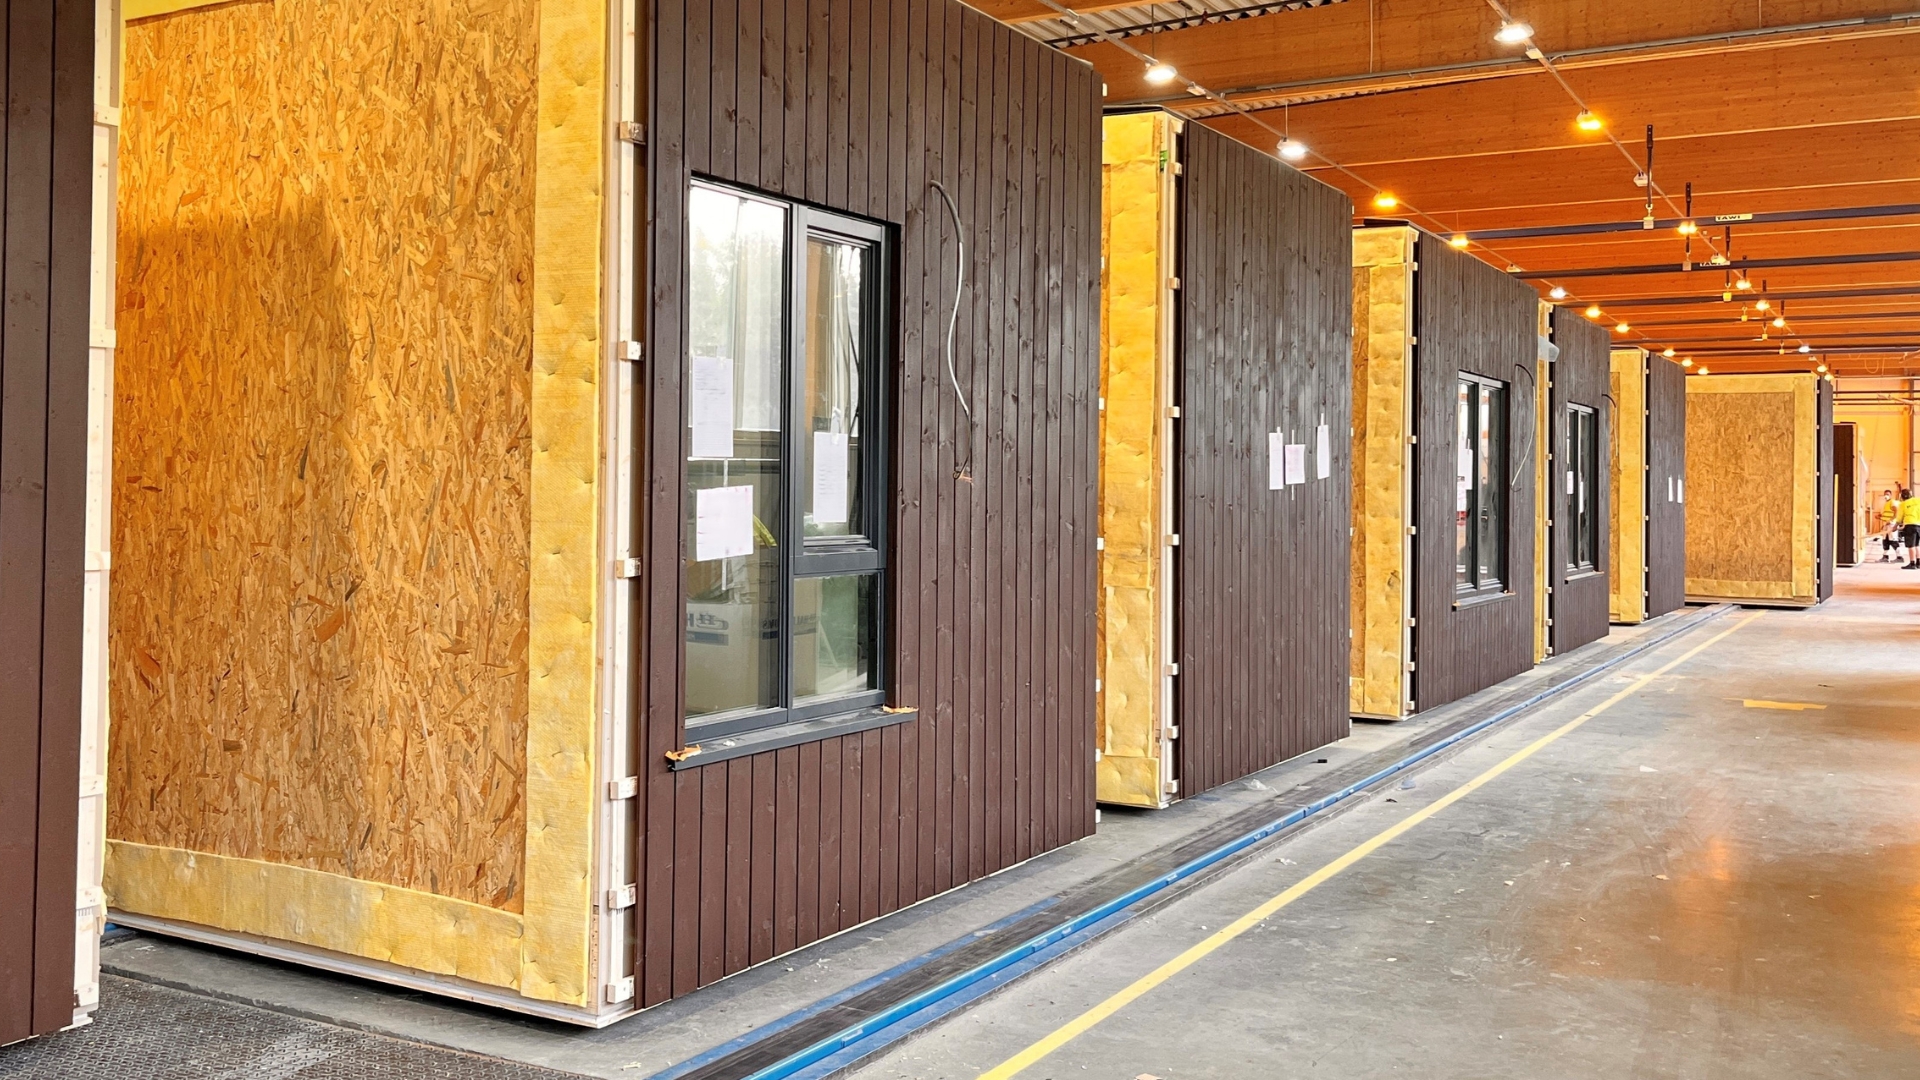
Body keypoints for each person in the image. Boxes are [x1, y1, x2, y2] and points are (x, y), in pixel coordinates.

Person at [1880, 489, 1903, 561]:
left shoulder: (1892, 502)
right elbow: (1887, 514)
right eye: (1885, 494)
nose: (1886, 495)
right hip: (1886, 524)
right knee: (1885, 540)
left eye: (1888, 494)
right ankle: (1885, 556)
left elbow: (1896, 511)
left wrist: (1891, 520)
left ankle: (1899, 557)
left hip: (1891, 524)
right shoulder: (1886, 503)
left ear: (1890, 495)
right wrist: (1880, 517)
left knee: (1893, 540)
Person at [1903, 488, 1920, 570]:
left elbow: (1899, 517)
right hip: (1918, 525)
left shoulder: (1904, 503)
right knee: (1917, 544)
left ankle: (1912, 564)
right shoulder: (1918, 501)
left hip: (1910, 525)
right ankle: (1918, 563)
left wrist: (1895, 526)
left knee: (1911, 545)